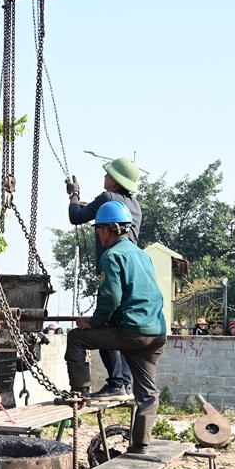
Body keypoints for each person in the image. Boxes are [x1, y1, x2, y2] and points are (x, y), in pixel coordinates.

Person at [65, 201, 167, 452]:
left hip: (131, 332)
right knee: (147, 393)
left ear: (106, 230)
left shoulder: (112, 256)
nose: (99, 236)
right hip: (156, 333)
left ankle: (80, 393)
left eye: (98, 230)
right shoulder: (141, 255)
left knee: (76, 338)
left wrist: (92, 322)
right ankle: (140, 445)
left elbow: (111, 298)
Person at [67, 157, 143, 397]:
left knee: (104, 324)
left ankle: (116, 383)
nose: (104, 178)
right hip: (132, 274)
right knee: (120, 326)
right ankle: (125, 384)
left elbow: (76, 216)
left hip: (112, 270)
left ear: (115, 180)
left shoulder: (107, 198)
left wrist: (74, 195)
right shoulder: (135, 205)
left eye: (107, 175)